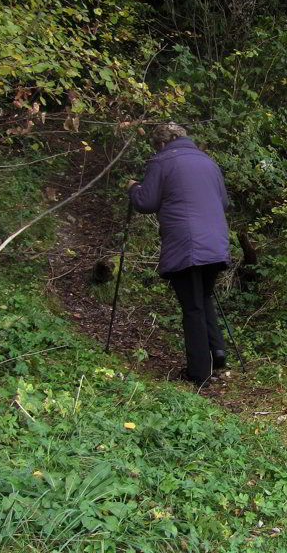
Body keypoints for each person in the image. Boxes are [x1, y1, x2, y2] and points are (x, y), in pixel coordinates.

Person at [127, 123, 230, 388]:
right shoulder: (208, 162)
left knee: (192, 306)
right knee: (204, 296)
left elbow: (145, 202)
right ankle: (217, 350)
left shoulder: (162, 161)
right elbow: (224, 202)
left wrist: (133, 189)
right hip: (215, 241)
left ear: (161, 143)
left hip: (186, 242)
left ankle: (199, 371)